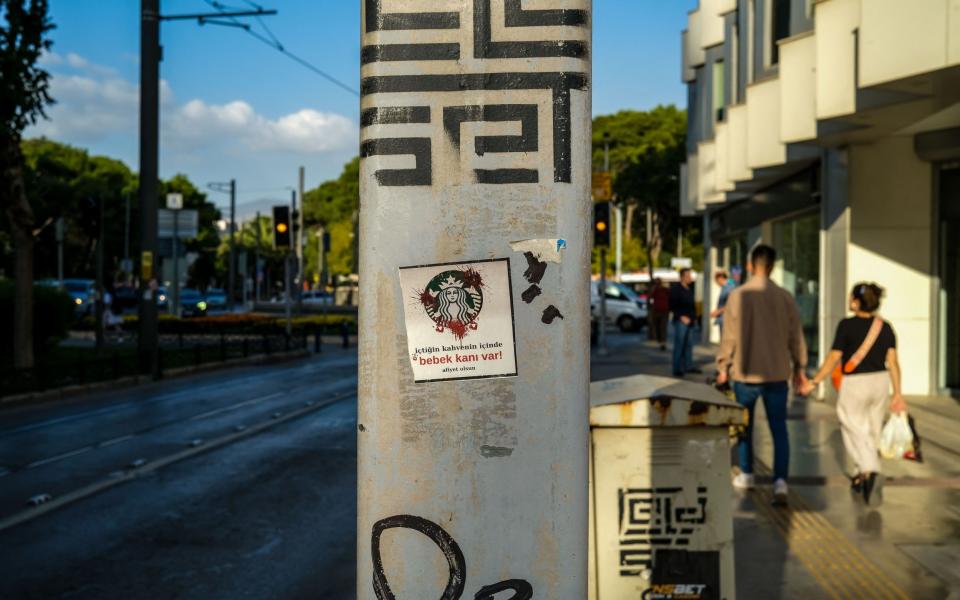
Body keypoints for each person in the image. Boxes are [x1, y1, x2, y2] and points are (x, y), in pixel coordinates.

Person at [716, 245, 808, 505]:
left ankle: (747, 474)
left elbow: (730, 335)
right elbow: (796, 336)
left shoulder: (737, 295)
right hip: (778, 374)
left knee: (744, 428)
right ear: (772, 266)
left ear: (749, 265)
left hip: (745, 375)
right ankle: (780, 482)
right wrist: (800, 366)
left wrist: (723, 365)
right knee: (779, 429)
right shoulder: (785, 297)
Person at [801, 283, 904, 505]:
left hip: (856, 382)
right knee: (872, 429)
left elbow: (834, 358)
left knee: (853, 425)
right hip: (880, 381)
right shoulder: (885, 327)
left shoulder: (847, 326)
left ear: (856, 302)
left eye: (851, 297)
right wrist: (898, 393)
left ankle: (871, 469)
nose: (849, 300)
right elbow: (893, 363)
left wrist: (815, 381)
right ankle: (862, 477)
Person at [669, 269, 698, 377]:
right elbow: (672, 306)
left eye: (690, 276)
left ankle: (688, 366)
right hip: (681, 321)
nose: (690, 278)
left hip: (690, 321)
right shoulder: (676, 289)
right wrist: (681, 317)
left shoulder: (690, 289)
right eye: (688, 276)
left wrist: (694, 318)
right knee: (679, 345)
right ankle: (677, 368)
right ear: (682, 277)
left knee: (689, 345)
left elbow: (692, 305)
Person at [709, 270, 735, 336]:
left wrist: (718, 311)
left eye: (716, 280)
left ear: (720, 278)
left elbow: (731, 304)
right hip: (724, 320)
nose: (716, 282)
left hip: (728, 320)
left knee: (726, 342)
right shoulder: (725, 287)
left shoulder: (729, 288)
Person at [649, 278, 670, 350]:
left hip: (664, 311)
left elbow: (670, 297)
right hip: (656, 311)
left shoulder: (665, 289)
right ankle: (660, 340)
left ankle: (663, 342)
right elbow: (650, 299)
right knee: (658, 326)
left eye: (658, 283)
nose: (658, 284)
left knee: (663, 327)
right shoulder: (654, 290)